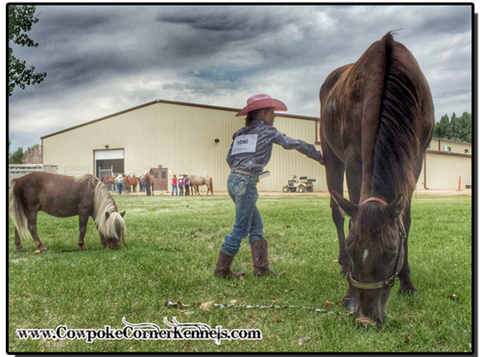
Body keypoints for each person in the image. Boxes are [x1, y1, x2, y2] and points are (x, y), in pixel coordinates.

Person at [214, 94, 324, 279]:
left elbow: (229, 158)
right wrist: (318, 156)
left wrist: (240, 172)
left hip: (233, 180)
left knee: (256, 225)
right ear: (263, 113)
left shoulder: (240, 134)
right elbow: (292, 143)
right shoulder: (268, 132)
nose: (274, 116)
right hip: (246, 182)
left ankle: (261, 269)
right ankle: (222, 270)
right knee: (241, 227)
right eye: (272, 112)